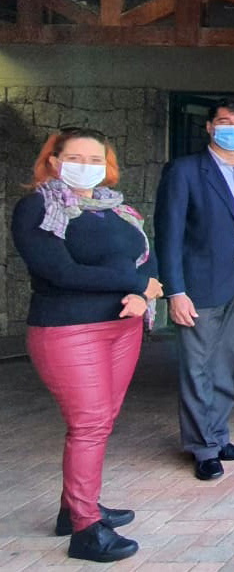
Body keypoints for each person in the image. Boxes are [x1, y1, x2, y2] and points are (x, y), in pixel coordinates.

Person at [13, 128, 162, 562]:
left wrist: (142, 293)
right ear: (54, 161)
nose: (86, 166)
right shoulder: (39, 206)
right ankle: (86, 531)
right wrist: (136, 283)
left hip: (122, 327)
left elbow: (145, 258)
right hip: (69, 330)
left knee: (101, 421)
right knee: (89, 424)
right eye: (75, 158)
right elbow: (60, 271)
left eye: (95, 160)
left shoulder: (117, 209)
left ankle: (75, 508)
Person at [154, 96, 234, 482]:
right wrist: (175, 291)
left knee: (226, 366)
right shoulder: (185, 171)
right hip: (197, 287)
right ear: (209, 127)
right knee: (197, 367)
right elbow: (168, 234)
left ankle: (219, 436)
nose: (233, 128)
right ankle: (202, 448)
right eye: (225, 121)